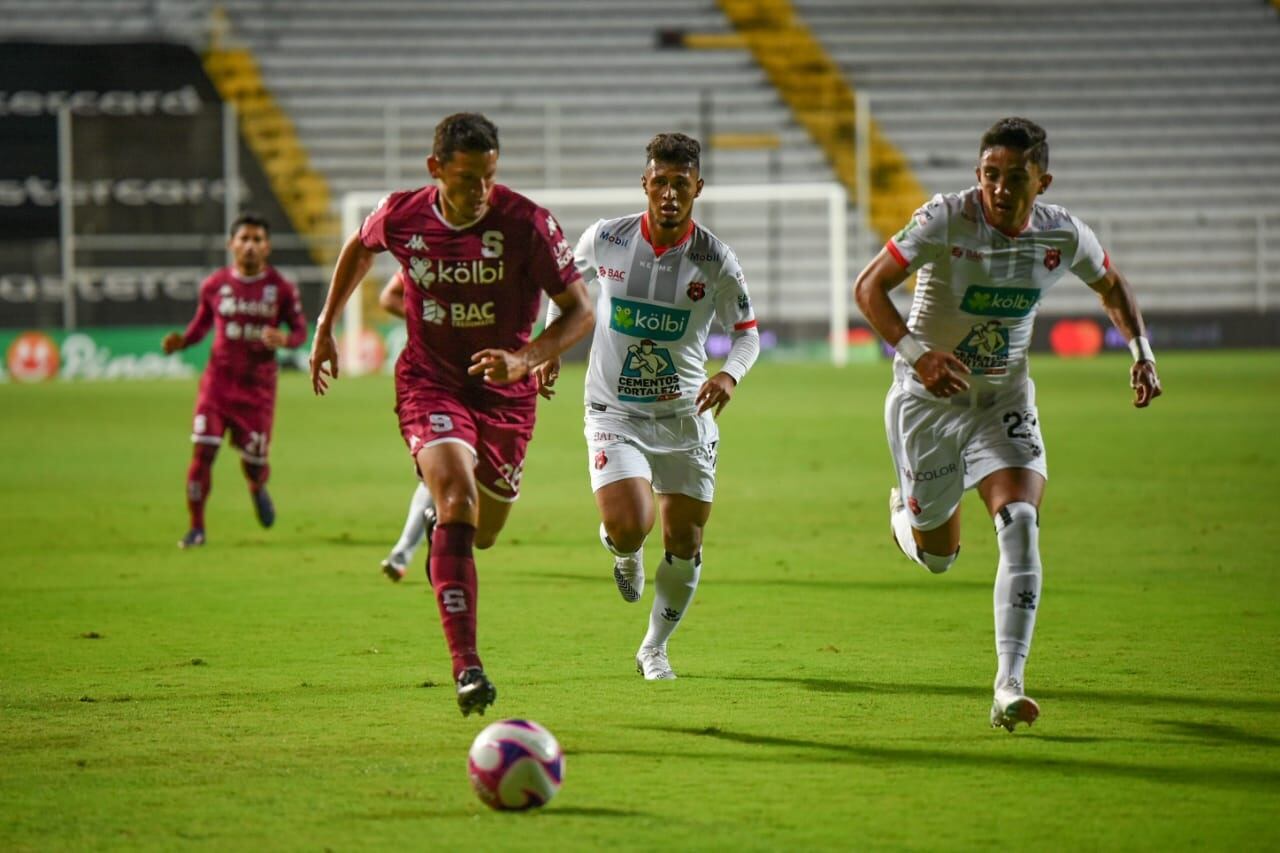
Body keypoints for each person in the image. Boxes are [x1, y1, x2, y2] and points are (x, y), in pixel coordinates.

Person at [852, 117, 1163, 732]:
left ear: (1041, 182)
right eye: (990, 175)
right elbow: (869, 288)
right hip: (927, 403)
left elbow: (1112, 285)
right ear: (977, 174)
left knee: (1020, 523)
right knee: (939, 557)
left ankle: (1008, 685)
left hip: (1003, 401)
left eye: (1015, 177)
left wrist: (1141, 351)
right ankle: (905, 521)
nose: (999, 188)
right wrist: (919, 354)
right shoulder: (944, 218)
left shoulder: (1062, 234)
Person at [309, 112, 593, 717]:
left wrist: (527, 358)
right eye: (467, 179)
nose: (481, 191)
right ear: (435, 169)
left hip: (505, 394)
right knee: (457, 500)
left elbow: (580, 311)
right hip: (430, 381)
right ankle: (467, 667)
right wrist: (326, 325)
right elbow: (359, 248)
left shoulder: (527, 224)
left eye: (489, 176)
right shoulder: (402, 213)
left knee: (481, 532)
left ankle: (444, 527)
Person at [534, 133, 761, 681]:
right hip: (614, 412)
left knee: (684, 540)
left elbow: (747, 333)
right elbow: (563, 292)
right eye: (660, 182)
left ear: (698, 187)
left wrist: (729, 374)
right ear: (645, 183)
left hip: (686, 417)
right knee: (631, 524)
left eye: (681, 183)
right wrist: (549, 346)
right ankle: (623, 548)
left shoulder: (715, 260)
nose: (669, 194)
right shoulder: (606, 238)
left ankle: (654, 649)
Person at [162, 212, 308, 549]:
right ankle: (196, 528)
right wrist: (182, 342)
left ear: (267, 246)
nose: (250, 246)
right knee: (203, 451)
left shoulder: (281, 288)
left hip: (257, 390)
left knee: (254, 464)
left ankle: (256, 486)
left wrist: (285, 339)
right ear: (231, 244)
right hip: (217, 386)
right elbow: (201, 325)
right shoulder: (214, 285)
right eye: (244, 239)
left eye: (257, 240)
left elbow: (300, 331)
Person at [376, 269, 436, 581]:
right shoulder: (432, 253)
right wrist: (433, 321)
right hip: (433, 374)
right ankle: (404, 551)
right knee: (435, 473)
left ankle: (439, 524)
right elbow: (388, 297)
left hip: (489, 373)